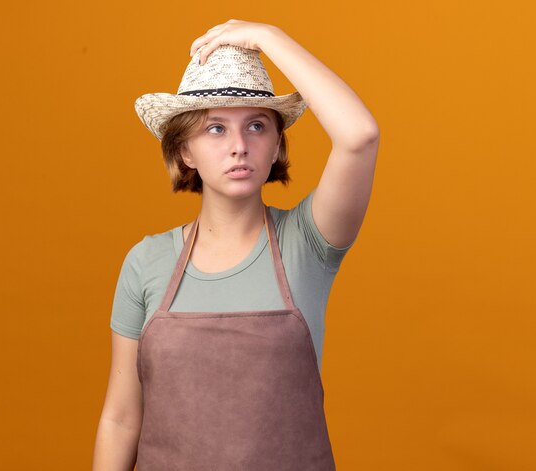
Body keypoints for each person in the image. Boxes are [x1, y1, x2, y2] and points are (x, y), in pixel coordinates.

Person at [93, 19, 379, 471]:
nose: (239, 147)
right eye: (215, 129)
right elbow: (122, 419)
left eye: (257, 126)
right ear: (184, 151)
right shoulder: (146, 262)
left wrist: (267, 37)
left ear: (276, 145)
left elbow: (359, 135)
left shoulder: (308, 242)